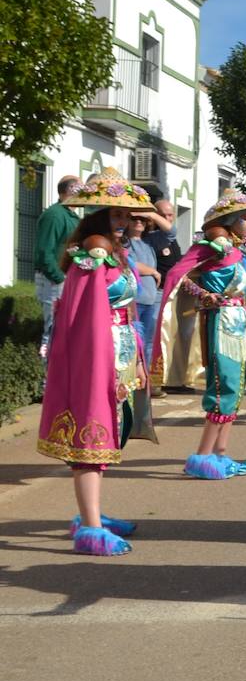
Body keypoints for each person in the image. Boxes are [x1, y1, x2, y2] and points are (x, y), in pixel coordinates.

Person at [35, 168, 157, 555]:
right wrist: (102, 364)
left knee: (109, 435)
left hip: (119, 351)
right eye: (115, 215)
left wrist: (135, 360)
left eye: (126, 216)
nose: (123, 223)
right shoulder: (91, 259)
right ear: (98, 216)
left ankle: (93, 514)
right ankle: (89, 526)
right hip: (95, 357)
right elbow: (85, 320)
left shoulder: (115, 256)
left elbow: (129, 312)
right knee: (91, 438)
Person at [153, 188, 246, 480]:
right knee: (223, 388)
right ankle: (201, 457)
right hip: (219, 324)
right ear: (230, 220)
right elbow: (177, 277)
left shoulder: (236, 249)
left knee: (237, 388)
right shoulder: (210, 247)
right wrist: (204, 295)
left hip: (238, 322)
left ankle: (220, 453)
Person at [33, 175, 82, 358]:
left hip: (65, 278)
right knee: (52, 328)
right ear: (70, 190)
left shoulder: (71, 216)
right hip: (54, 280)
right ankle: (46, 379)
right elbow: (45, 251)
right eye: (80, 188)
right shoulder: (55, 215)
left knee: (64, 329)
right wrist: (60, 278)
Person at [124, 213, 162, 351]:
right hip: (135, 301)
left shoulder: (149, 242)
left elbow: (171, 232)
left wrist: (151, 214)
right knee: (134, 342)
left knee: (148, 343)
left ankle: (144, 373)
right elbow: (129, 264)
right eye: (134, 218)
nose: (139, 222)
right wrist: (152, 271)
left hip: (150, 301)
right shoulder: (125, 242)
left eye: (143, 220)